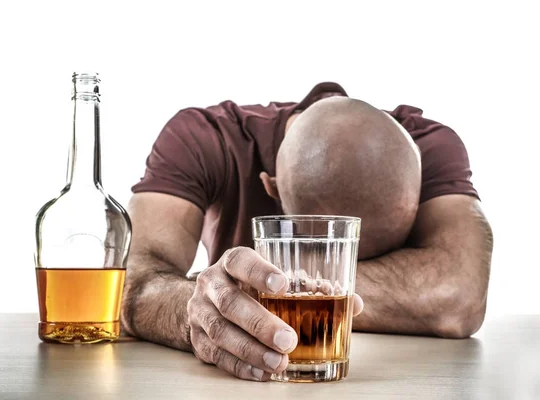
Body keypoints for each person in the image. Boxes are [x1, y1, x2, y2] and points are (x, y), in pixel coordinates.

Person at [121, 82, 493, 382]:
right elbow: (130, 278)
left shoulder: (431, 146)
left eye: (370, 254)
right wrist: (202, 312)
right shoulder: (203, 138)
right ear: (272, 189)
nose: (333, 275)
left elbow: (459, 298)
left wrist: (265, 295)